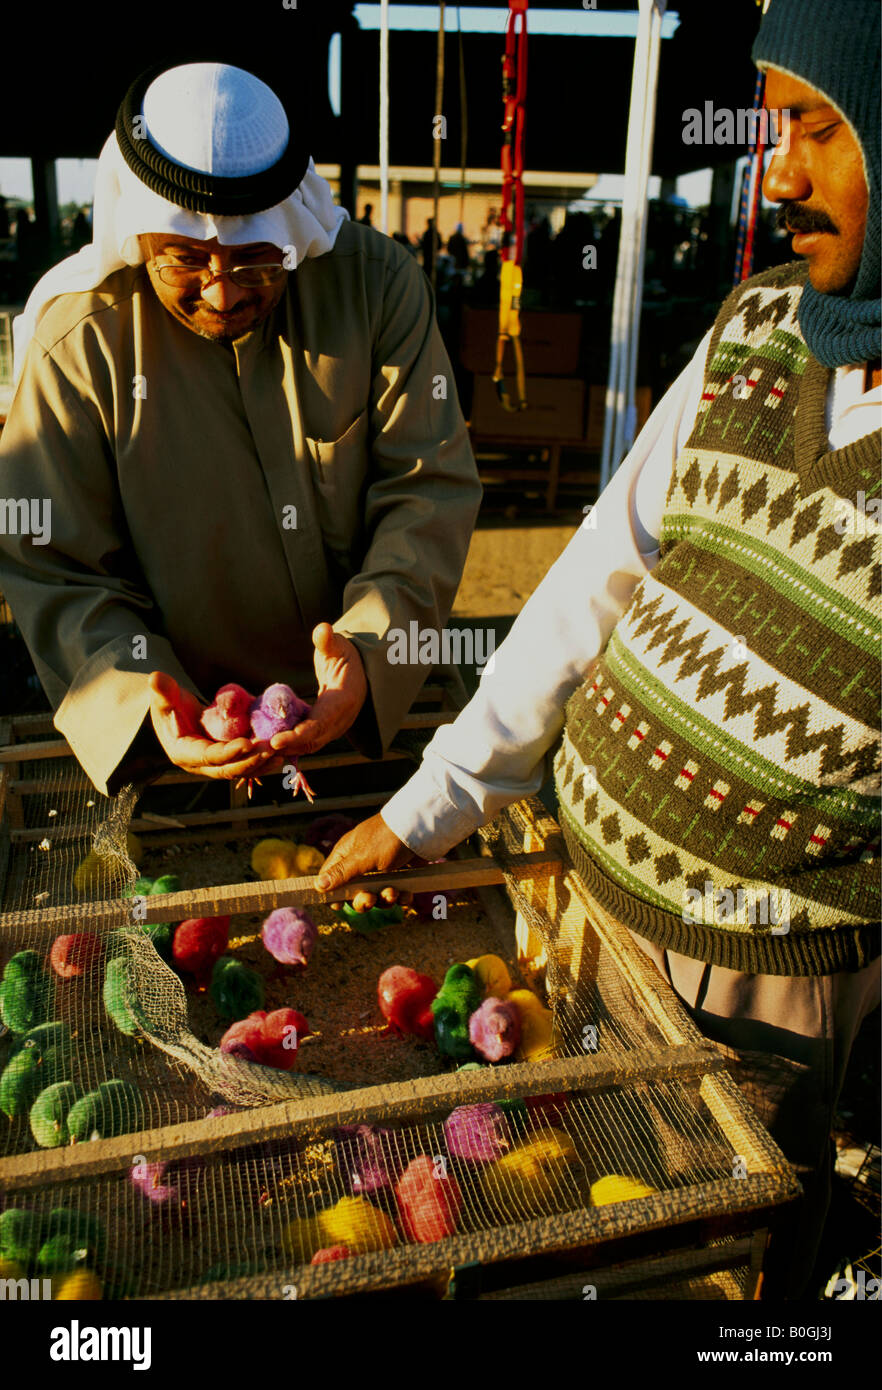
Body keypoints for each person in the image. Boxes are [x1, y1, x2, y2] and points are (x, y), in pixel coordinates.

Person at [317, 0, 881, 1299]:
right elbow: (594, 573)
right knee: (580, 1214)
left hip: (764, 974)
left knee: (718, 1256)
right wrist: (434, 801)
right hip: (587, 905)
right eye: (769, 123)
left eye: (817, 127)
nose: (775, 170)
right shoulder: (755, 327)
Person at [0, 62, 482, 797]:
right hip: (173, 757)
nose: (222, 293)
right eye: (186, 261)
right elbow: (53, 563)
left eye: (257, 264)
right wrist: (139, 701)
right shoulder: (80, 342)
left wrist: (368, 653)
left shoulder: (377, 289)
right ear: (140, 237)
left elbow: (429, 490)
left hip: (373, 728)